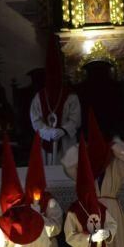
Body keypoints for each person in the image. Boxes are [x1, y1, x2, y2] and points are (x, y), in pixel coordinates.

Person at [61, 111, 124, 247]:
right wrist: (84, 147)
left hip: (110, 208)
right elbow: (67, 163)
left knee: (114, 246)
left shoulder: (115, 165)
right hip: (90, 209)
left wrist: (111, 145)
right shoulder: (83, 168)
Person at [30, 35, 81, 164]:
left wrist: (63, 130)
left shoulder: (71, 96)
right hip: (46, 142)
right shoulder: (39, 97)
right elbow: (35, 120)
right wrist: (48, 132)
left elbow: (75, 119)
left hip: (66, 143)